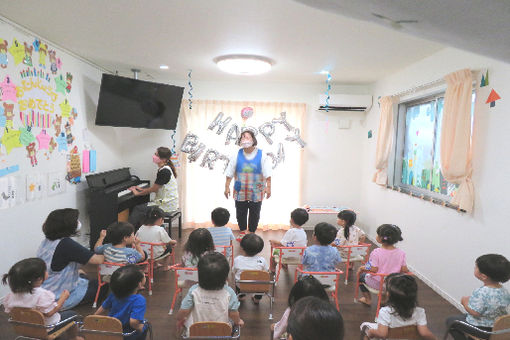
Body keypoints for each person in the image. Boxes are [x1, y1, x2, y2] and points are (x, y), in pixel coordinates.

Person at [37, 208, 105, 310]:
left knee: (83, 275)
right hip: (57, 296)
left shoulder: (46, 241)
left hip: (43, 289)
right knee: (103, 286)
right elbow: (97, 260)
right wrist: (113, 251)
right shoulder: (66, 244)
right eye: (75, 221)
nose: (78, 223)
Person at [2, 258, 82, 340]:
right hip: (47, 328)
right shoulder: (41, 295)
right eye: (45, 270)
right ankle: (73, 337)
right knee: (73, 315)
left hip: (25, 328)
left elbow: (11, 312)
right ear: (39, 278)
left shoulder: (11, 296)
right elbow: (50, 313)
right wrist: (63, 298)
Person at [176, 253, 243, 336]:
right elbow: (233, 314)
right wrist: (238, 321)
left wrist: (179, 319)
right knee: (234, 321)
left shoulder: (194, 290)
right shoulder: (229, 292)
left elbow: (183, 311)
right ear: (226, 277)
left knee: (187, 317)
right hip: (222, 332)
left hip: (196, 332)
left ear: (199, 275)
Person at [446, 254, 510, 340]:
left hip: (483, 330)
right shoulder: (504, 291)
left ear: (483, 276)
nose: (474, 268)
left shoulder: (481, 292)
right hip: (499, 328)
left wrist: (464, 302)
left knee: (451, 321)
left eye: (476, 267)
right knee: (462, 317)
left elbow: (475, 313)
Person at [224, 130, 272, 239]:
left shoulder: (261, 154)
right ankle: (243, 231)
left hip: (257, 189)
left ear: (253, 139)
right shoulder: (237, 154)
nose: (244, 139)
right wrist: (226, 187)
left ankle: (251, 232)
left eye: (247, 137)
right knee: (240, 211)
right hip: (240, 189)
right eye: (242, 138)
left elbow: (268, 173)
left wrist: (269, 188)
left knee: (255, 212)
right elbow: (229, 172)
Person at [361, 274, 437, 340]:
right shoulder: (420, 312)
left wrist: (370, 332)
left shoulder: (385, 312)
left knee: (365, 326)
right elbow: (424, 333)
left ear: (388, 295)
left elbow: (382, 334)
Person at [128, 147, 179, 231]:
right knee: (143, 207)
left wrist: (137, 193)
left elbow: (154, 189)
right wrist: (141, 189)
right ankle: (142, 232)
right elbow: (156, 188)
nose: (153, 156)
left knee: (138, 209)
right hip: (168, 202)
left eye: (156, 155)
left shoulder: (164, 171)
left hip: (166, 205)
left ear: (163, 159)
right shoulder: (165, 168)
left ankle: (127, 233)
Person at [357, 224, 408, 306]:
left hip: (378, 284)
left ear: (381, 238)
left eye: (378, 234)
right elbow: (404, 270)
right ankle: (383, 298)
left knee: (361, 277)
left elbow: (373, 269)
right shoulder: (401, 253)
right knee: (385, 277)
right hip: (393, 285)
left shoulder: (376, 252)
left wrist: (362, 268)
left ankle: (367, 299)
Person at [95, 265, 148, 340]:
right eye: (144, 277)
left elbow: (102, 309)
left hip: (112, 329)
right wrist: (140, 327)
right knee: (145, 325)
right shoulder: (139, 300)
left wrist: (94, 318)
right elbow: (133, 322)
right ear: (139, 284)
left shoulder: (113, 295)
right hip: (127, 334)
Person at [271, 275, 329, 340]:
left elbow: (277, 333)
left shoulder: (291, 312)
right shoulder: (328, 314)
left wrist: (275, 328)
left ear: (295, 296)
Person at [269, 207, 309, 272]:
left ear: (292, 220)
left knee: (274, 254)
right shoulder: (303, 232)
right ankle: (284, 263)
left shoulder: (291, 232)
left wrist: (273, 241)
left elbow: (282, 243)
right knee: (290, 247)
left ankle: (272, 269)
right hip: (300, 257)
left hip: (288, 256)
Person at [233, 233, 269, 304]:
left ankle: (241, 296)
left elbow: (233, 271)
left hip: (242, 285)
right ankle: (257, 299)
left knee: (238, 279)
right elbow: (266, 272)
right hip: (258, 286)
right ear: (260, 249)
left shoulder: (238, 259)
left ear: (242, 247)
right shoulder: (262, 260)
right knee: (261, 282)